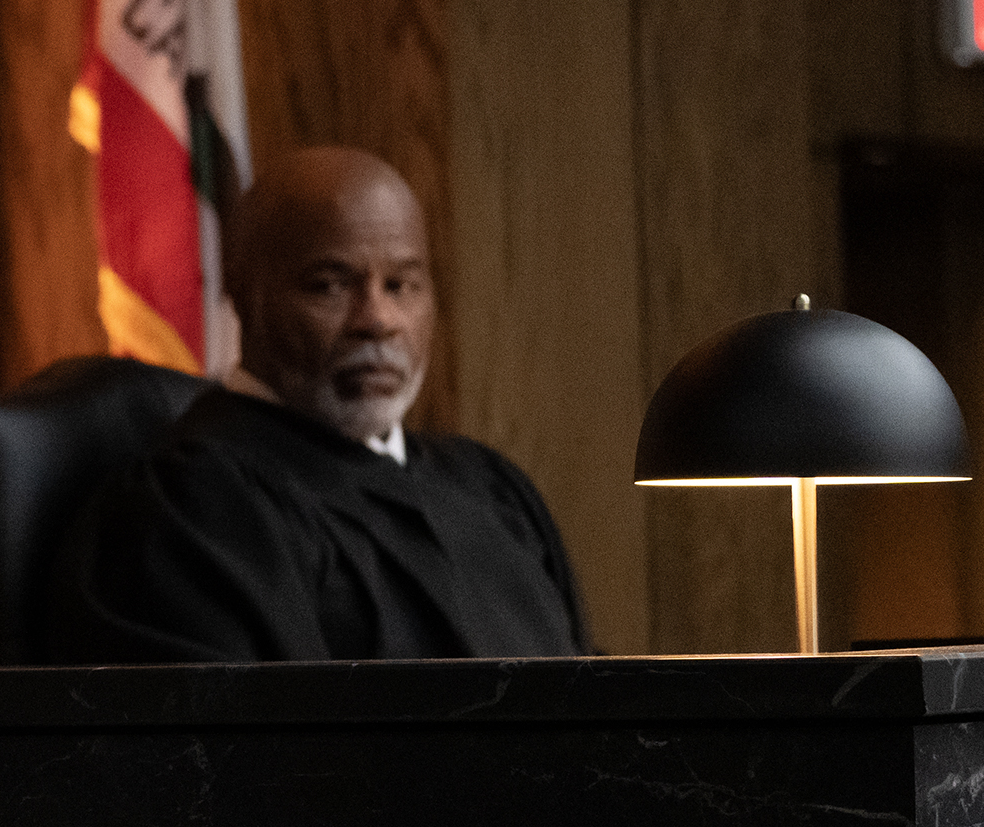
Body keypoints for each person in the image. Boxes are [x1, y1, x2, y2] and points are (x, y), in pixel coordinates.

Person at [45, 147, 590, 663]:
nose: (377, 320)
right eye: (328, 286)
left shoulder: (490, 487)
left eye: (400, 285)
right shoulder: (194, 507)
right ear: (242, 293)